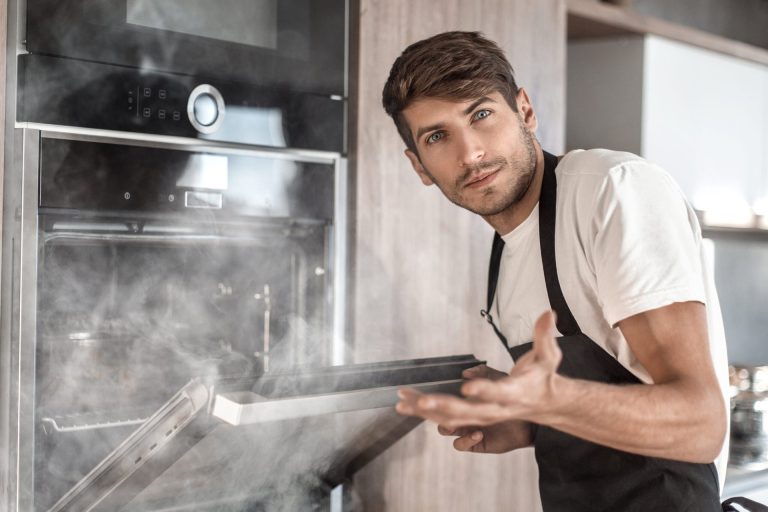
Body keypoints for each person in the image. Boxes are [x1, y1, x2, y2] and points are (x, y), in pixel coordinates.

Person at [382, 31, 731, 511]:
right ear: (419, 166)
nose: (471, 154)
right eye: (437, 136)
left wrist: (550, 402)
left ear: (524, 110)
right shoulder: (503, 260)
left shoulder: (612, 192)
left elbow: (701, 425)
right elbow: (597, 405)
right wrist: (525, 421)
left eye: (481, 114)